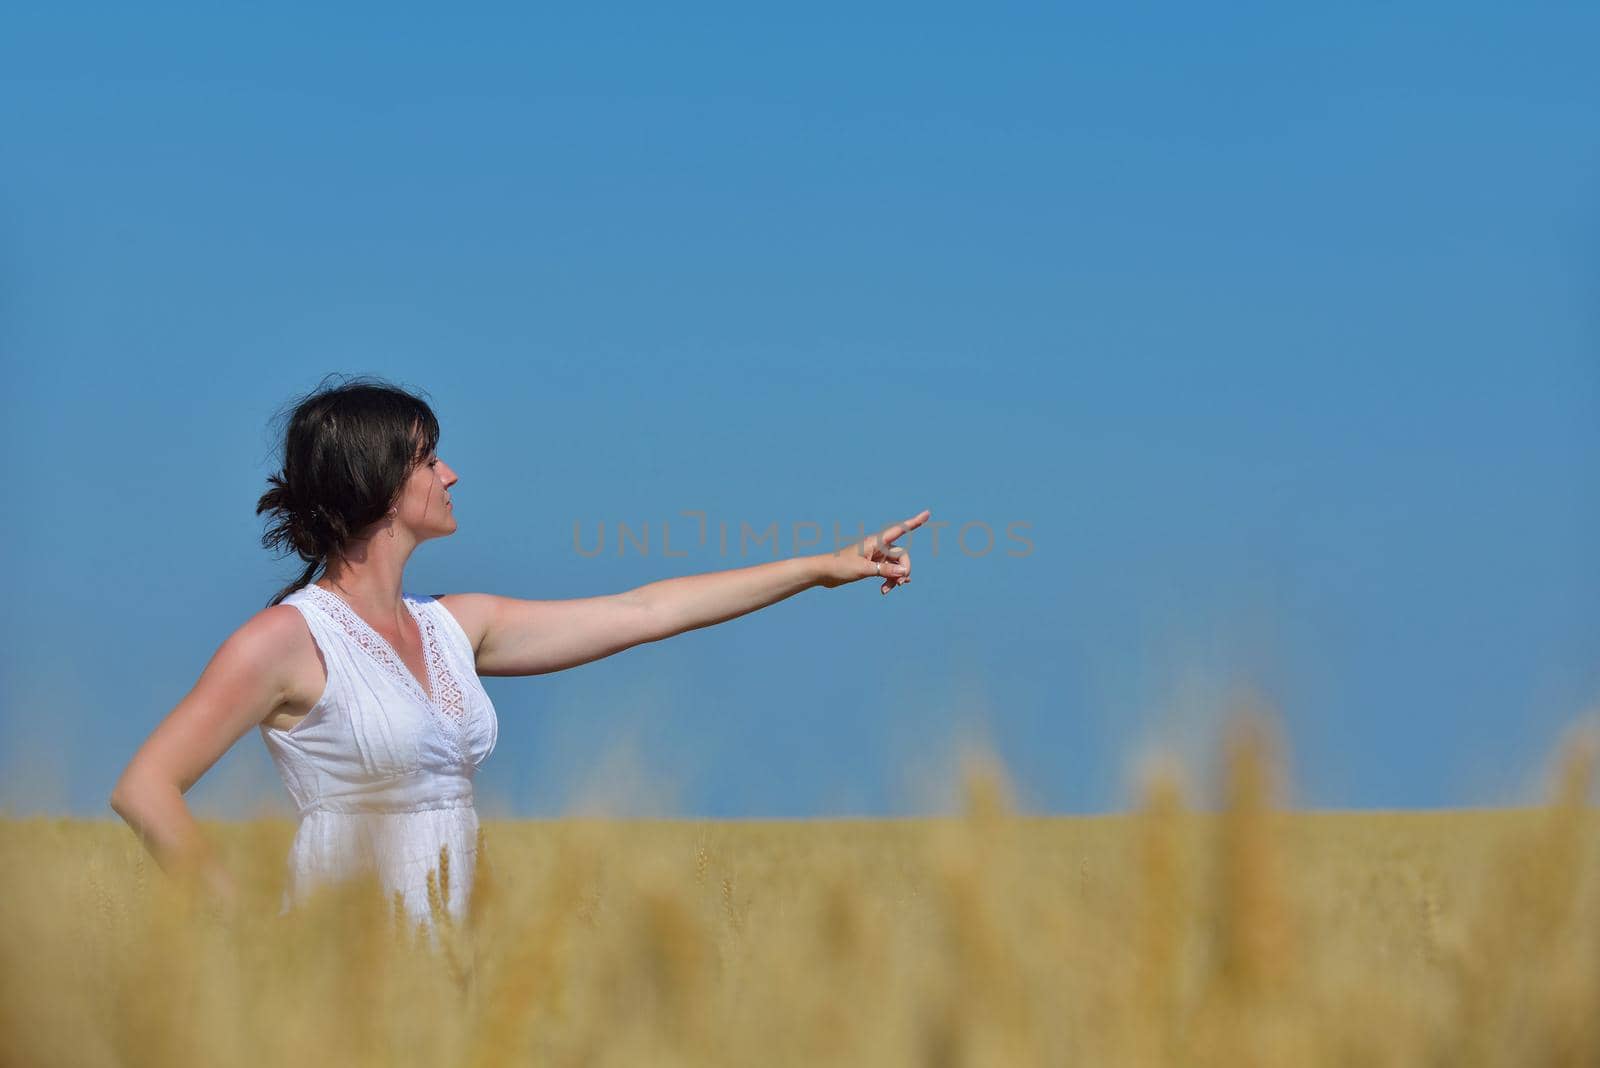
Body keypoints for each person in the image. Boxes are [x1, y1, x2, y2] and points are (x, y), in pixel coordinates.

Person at [109, 376, 928, 931]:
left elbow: (644, 610)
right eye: (429, 459)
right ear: (379, 480)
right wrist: (255, 935)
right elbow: (146, 788)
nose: (452, 474)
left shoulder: (454, 626)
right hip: (341, 969)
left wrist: (822, 567)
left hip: (460, 956)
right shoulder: (287, 640)